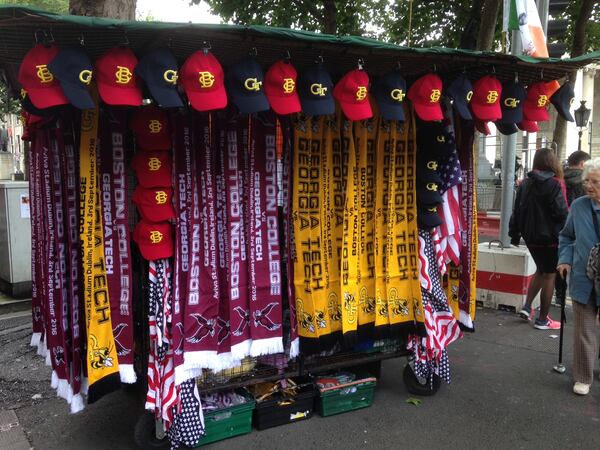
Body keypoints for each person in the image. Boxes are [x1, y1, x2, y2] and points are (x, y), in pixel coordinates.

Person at [509, 148, 568, 329]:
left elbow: (516, 211)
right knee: (549, 274)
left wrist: (515, 234)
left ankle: (527, 307)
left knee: (541, 270)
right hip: (550, 237)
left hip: (530, 236)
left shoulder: (526, 183)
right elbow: (561, 212)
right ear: (553, 162)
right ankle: (543, 319)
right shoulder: (556, 183)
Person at [558, 158, 600, 395]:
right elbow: (567, 236)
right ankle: (583, 376)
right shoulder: (579, 206)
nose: (588, 186)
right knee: (584, 329)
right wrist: (564, 259)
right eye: (587, 181)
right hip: (584, 277)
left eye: (595, 182)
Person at [555, 151, 591, 305]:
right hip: (581, 225)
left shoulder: (559, 178)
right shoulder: (584, 183)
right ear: (583, 164)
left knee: (563, 262)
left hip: (561, 224)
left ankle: (560, 294)